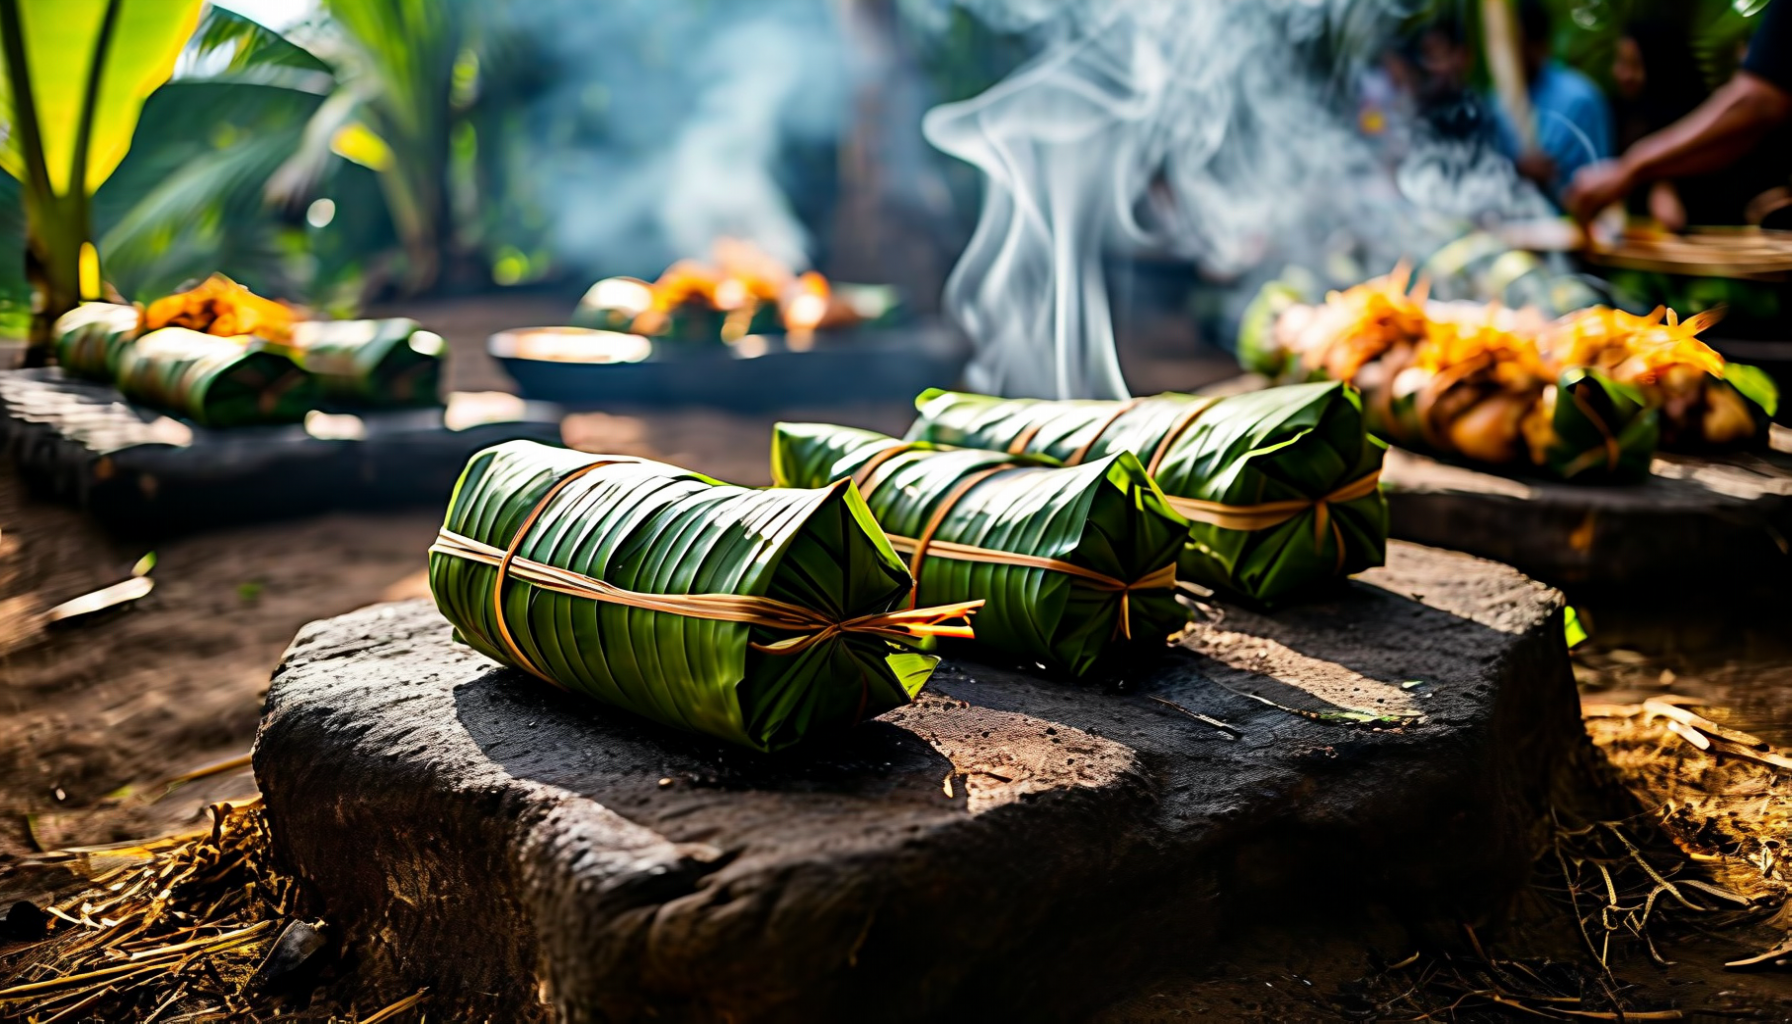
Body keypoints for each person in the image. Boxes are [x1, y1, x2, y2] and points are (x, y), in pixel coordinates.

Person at [1566, 0, 1792, 224]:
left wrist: (1632, 169)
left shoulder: (1703, 122)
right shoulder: (1620, 113)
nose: (1623, 74)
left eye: (1634, 65)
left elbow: (1761, 100)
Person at [1492, 0, 1614, 205]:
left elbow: (1599, 179)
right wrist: (1515, 168)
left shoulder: (1579, 98)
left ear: (1537, 44)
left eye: (1514, 41)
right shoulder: (1495, 100)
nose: (1505, 52)